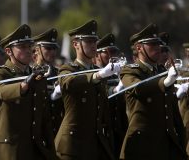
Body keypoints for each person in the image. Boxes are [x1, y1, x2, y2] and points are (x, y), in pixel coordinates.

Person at [119, 23, 187, 160]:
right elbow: (137, 88)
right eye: (152, 44)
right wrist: (165, 82)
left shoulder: (162, 72)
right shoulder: (131, 71)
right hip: (142, 146)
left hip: (166, 145)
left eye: (158, 44)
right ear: (139, 48)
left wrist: (181, 137)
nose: (158, 48)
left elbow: (173, 111)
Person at [0, 24, 57, 160]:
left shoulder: (36, 74)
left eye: (29, 47)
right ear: (8, 51)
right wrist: (24, 85)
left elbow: (43, 115)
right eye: (22, 47)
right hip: (10, 148)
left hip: (33, 147)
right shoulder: (0, 72)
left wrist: (50, 147)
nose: (28, 51)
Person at [55, 20, 119, 160]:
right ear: (76, 44)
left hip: (95, 143)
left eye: (95, 41)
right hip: (73, 146)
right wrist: (98, 75)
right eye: (88, 41)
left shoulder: (99, 71)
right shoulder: (68, 69)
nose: (93, 45)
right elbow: (68, 82)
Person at [95, 33, 128, 158]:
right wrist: (116, 89)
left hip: (118, 128)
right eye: (109, 52)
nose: (113, 55)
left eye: (115, 52)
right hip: (102, 130)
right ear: (97, 54)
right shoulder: (94, 75)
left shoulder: (116, 75)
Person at [33, 28, 64, 136]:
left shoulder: (59, 73)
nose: (52, 52)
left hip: (55, 129)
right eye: (48, 48)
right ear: (37, 49)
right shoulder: (30, 73)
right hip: (35, 130)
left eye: (54, 48)